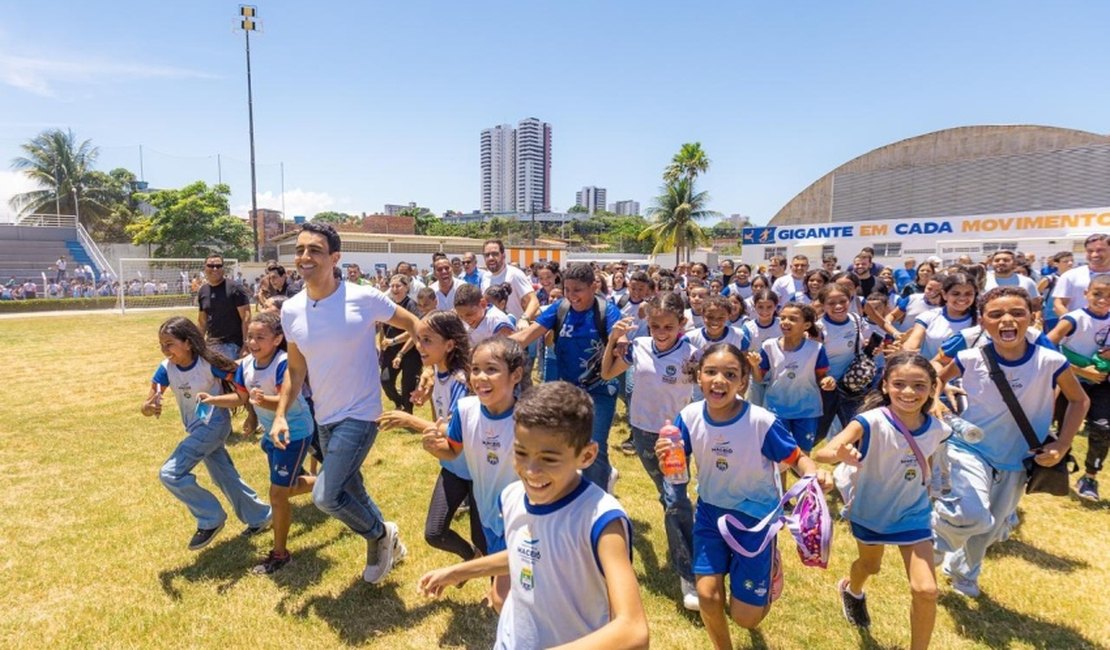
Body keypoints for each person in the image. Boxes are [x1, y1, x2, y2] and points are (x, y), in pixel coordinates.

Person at [418, 382, 648, 649]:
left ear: (587, 455)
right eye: (520, 453)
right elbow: (527, 551)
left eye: (549, 458)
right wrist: (457, 572)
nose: (531, 470)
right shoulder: (512, 497)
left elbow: (633, 630)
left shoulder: (602, 521)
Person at [271, 222, 421, 585]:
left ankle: (378, 535)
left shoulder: (363, 297)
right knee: (350, 488)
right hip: (324, 414)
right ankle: (389, 537)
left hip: (362, 412)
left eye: (315, 250)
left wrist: (430, 370)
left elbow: (415, 323)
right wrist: (280, 414)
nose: (305, 257)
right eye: (301, 249)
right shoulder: (291, 310)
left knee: (325, 496)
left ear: (335, 257)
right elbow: (295, 368)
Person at [658, 343, 829, 649]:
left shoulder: (761, 421)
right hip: (711, 515)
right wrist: (665, 455)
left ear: (743, 381)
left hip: (756, 523)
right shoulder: (688, 416)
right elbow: (676, 462)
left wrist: (815, 475)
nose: (719, 380)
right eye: (710, 372)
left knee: (746, 618)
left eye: (729, 374)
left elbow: (796, 458)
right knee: (707, 595)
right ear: (699, 377)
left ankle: (770, 569)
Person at [933, 287, 1089, 598]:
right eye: (996, 314)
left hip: (1017, 457)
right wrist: (936, 399)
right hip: (970, 448)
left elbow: (1079, 400)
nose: (1007, 320)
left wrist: (1062, 445)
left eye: (1017, 313)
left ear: (1032, 318)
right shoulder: (969, 357)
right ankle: (933, 545)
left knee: (991, 529)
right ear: (982, 321)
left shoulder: (1051, 360)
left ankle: (963, 573)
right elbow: (937, 377)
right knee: (972, 513)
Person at [815, 353, 949, 648]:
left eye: (919, 385)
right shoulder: (870, 421)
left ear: (931, 388)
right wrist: (841, 454)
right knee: (870, 566)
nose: (909, 392)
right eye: (899, 384)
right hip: (870, 513)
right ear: (885, 386)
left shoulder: (939, 429)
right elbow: (822, 453)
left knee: (926, 590)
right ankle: (852, 589)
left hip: (913, 515)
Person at [601, 293, 699, 610]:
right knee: (668, 495)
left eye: (668, 326)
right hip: (643, 434)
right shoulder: (639, 347)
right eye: (654, 325)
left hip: (676, 437)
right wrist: (612, 340)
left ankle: (690, 577)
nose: (660, 331)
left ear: (681, 324)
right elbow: (606, 373)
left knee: (674, 498)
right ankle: (686, 534)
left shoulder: (692, 354)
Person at [197, 313, 316, 574]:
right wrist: (213, 400)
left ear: (277, 339)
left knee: (277, 494)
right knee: (287, 488)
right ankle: (332, 483)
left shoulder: (285, 363)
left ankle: (280, 554)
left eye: (260, 337)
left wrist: (263, 401)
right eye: (250, 336)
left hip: (294, 433)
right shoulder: (246, 365)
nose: (252, 342)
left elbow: (290, 399)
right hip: (271, 435)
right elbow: (242, 398)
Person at [142, 317, 272, 551]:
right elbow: (147, 403)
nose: (165, 349)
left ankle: (210, 519)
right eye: (161, 344)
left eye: (170, 343)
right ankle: (260, 516)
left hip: (213, 425)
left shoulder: (208, 364)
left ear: (188, 343)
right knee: (224, 476)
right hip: (196, 428)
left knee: (170, 473)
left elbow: (241, 390)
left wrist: (249, 415)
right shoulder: (165, 369)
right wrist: (150, 407)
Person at [423, 337, 526, 610]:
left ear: (516, 375)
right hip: (487, 513)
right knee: (501, 591)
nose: (480, 377)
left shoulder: (528, 419)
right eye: (476, 369)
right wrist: (435, 448)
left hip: (520, 519)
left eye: (491, 369)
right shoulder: (466, 409)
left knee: (507, 599)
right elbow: (453, 450)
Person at [377, 311, 483, 561]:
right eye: (418, 338)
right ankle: (472, 560)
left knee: (486, 541)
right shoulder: (437, 373)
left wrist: (409, 419)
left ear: (449, 345)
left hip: (478, 473)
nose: (419, 346)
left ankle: (495, 589)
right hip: (452, 466)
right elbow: (441, 420)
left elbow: (455, 429)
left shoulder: (462, 380)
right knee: (435, 533)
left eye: (427, 340)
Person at [512, 263, 622, 493]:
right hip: (569, 392)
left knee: (595, 445)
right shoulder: (560, 309)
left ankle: (597, 501)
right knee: (569, 443)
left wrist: (621, 342)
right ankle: (602, 475)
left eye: (577, 290)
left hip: (601, 389)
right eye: (567, 290)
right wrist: (490, 347)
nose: (571, 296)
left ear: (593, 287)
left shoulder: (607, 311)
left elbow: (618, 340)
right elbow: (525, 337)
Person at [1047, 274, 1110, 501]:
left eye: (1108, 296)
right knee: (1063, 430)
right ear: (1086, 294)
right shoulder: (1073, 319)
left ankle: (1090, 476)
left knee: (1103, 428)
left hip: (1101, 384)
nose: (1103, 300)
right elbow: (1046, 345)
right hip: (1068, 382)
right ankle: (1059, 467)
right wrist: (1081, 371)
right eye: (1097, 294)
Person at [754, 302, 836, 452]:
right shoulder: (768, 346)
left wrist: (827, 381)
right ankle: (782, 476)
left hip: (807, 409)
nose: (785, 322)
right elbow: (759, 379)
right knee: (780, 454)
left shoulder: (816, 349)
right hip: (776, 408)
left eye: (792, 319)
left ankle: (804, 477)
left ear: (806, 325)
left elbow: (821, 377)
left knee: (803, 453)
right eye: (783, 317)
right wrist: (753, 365)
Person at [483, 239, 540, 388]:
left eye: (494, 254)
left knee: (521, 386)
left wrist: (524, 318)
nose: (491, 258)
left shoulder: (514, 274)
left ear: (503, 255)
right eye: (487, 255)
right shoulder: (484, 278)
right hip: (495, 342)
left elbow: (533, 301)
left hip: (517, 340)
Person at [814, 284, 868, 443]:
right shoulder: (818, 328)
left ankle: (855, 463)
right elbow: (813, 360)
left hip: (851, 384)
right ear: (823, 305)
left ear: (850, 300)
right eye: (831, 303)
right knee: (819, 431)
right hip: (826, 387)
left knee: (855, 427)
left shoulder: (856, 319)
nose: (838, 306)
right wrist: (823, 379)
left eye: (843, 301)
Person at [903, 272, 978, 362]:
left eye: (968, 294)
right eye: (955, 294)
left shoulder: (983, 320)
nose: (962, 298)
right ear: (944, 295)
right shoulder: (928, 317)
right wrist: (906, 351)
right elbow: (913, 342)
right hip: (932, 372)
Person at [379, 274, 423, 414]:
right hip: (390, 351)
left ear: (406, 287)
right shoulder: (388, 305)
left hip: (409, 351)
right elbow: (382, 328)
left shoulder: (411, 306)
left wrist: (397, 348)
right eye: (392, 286)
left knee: (407, 385)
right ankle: (398, 402)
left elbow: (414, 331)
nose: (394, 289)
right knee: (386, 380)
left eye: (398, 286)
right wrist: (383, 345)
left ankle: (408, 412)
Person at [196, 255, 250, 361]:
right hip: (211, 344)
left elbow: (246, 318)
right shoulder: (203, 290)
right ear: (205, 268)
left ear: (223, 268)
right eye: (211, 266)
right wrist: (197, 345)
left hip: (232, 345)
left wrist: (246, 346)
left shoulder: (235, 288)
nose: (214, 269)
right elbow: (202, 322)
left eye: (218, 266)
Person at [1054, 233, 1110, 316]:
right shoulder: (1070, 276)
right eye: (1090, 251)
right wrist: (1073, 324)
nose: (1094, 255)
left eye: (1100, 250)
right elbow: (1059, 304)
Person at [741, 289, 780, 407]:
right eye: (760, 307)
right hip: (756, 376)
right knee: (755, 408)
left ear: (776, 306)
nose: (765, 311)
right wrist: (745, 377)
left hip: (777, 376)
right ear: (754, 306)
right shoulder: (748, 328)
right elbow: (744, 354)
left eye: (769, 307)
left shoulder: (782, 325)